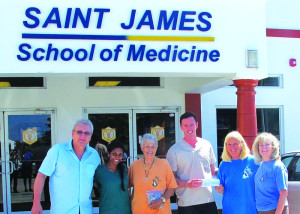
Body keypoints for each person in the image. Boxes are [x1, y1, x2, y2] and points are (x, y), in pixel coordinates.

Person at [31, 119, 101, 214]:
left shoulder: (94, 155)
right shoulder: (57, 151)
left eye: (87, 133)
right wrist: (36, 203)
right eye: (79, 132)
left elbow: (96, 181)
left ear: (90, 136)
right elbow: (41, 176)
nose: (82, 136)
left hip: (85, 210)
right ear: (73, 133)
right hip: (62, 210)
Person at [166, 112, 218, 214]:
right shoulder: (174, 150)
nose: (189, 128)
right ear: (181, 127)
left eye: (191, 124)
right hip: (186, 203)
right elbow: (170, 179)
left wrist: (226, 174)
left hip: (208, 199)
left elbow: (213, 170)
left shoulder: (206, 145)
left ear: (197, 125)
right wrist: (187, 184)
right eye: (185, 125)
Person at [128, 134, 177, 214]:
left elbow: (172, 187)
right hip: (139, 211)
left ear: (156, 148)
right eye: (147, 146)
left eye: (153, 147)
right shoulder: (134, 166)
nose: (150, 150)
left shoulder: (164, 164)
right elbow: (127, 186)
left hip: (161, 211)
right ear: (142, 148)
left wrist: (161, 200)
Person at [215, 131, 259, 214]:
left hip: (250, 209)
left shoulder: (254, 162)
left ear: (242, 144)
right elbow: (221, 188)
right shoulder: (223, 164)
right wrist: (220, 189)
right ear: (226, 146)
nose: (232, 147)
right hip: (230, 209)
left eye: (235, 143)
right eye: (229, 144)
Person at [252, 133, 289, 214]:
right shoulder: (260, 166)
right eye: (261, 145)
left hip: (275, 209)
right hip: (261, 210)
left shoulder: (278, 166)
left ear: (273, 147)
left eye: (267, 144)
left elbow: (283, 193)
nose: (264, 147)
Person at [94, 141, 131, 214]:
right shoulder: (100, 171)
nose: (117, 157)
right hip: (107, 210)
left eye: (120, 155)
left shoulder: (125, 169)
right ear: (108, 154)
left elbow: (128, 190)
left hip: (125, 210)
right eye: (114, 154)